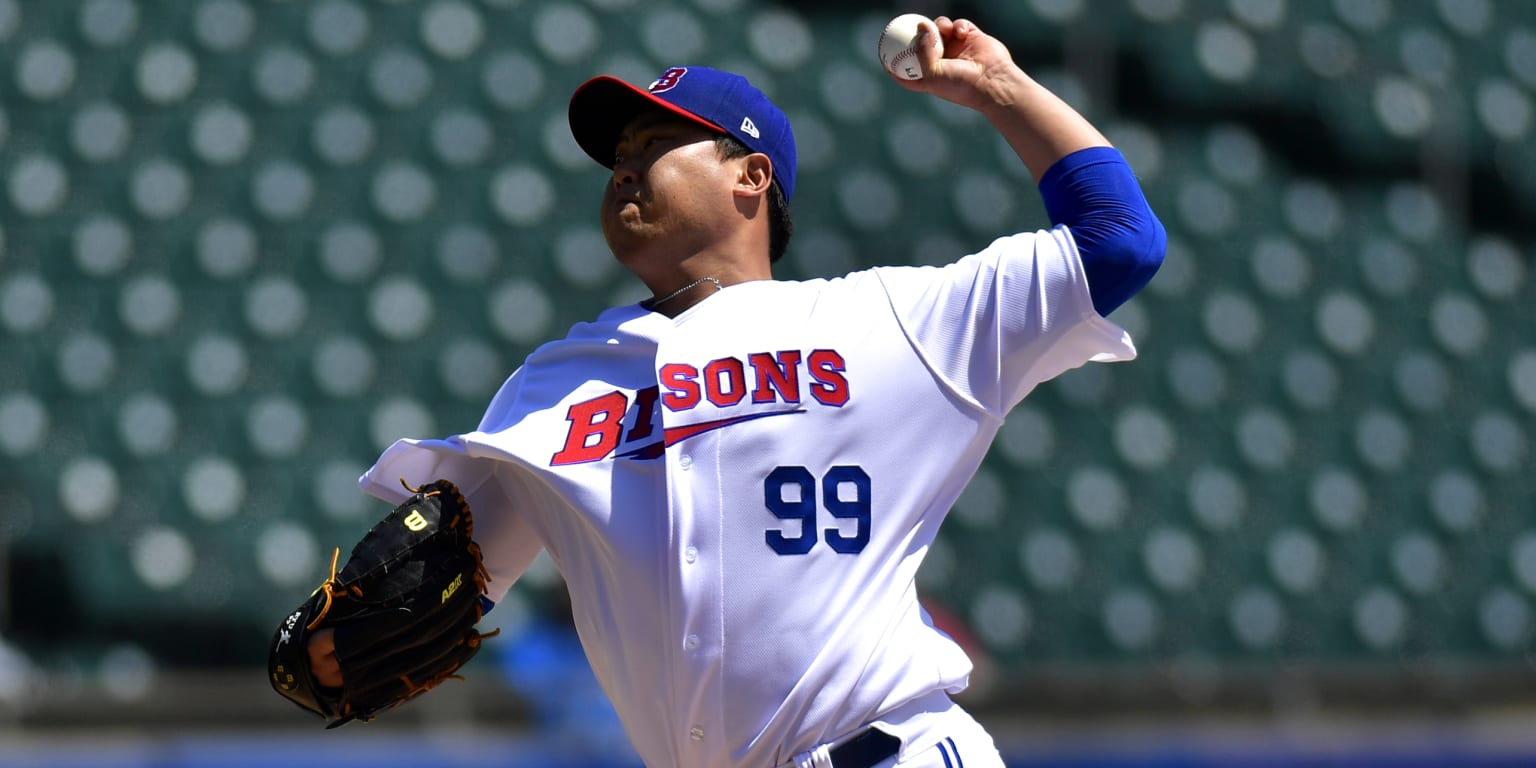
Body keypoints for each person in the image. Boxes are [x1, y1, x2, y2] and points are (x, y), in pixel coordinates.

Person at [309, 15, 1164, 768]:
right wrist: (338, 647)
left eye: (653, 146)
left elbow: (1120, 241)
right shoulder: (554, 382)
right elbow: (438, 587)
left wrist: (1002, 88)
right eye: (618, 156)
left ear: (750, 178)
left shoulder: (890, 319)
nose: (623, 169)